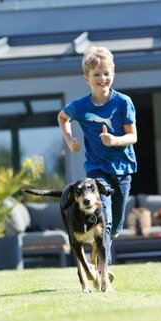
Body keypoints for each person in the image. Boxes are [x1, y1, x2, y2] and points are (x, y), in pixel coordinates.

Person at [57, 46, 138, 264]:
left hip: (122, 170)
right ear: (87, 78)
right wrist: (70, 140)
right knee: (106, 219)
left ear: (113, 74)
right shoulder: (81, 106)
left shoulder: (123, 103)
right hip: (96, 170)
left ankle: (104, 243)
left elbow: (133, 137)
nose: (102, 78)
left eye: (106, 73)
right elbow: (62, 117)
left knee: (116, 223)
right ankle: (104, 266)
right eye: (96, 75)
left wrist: (114, 141)